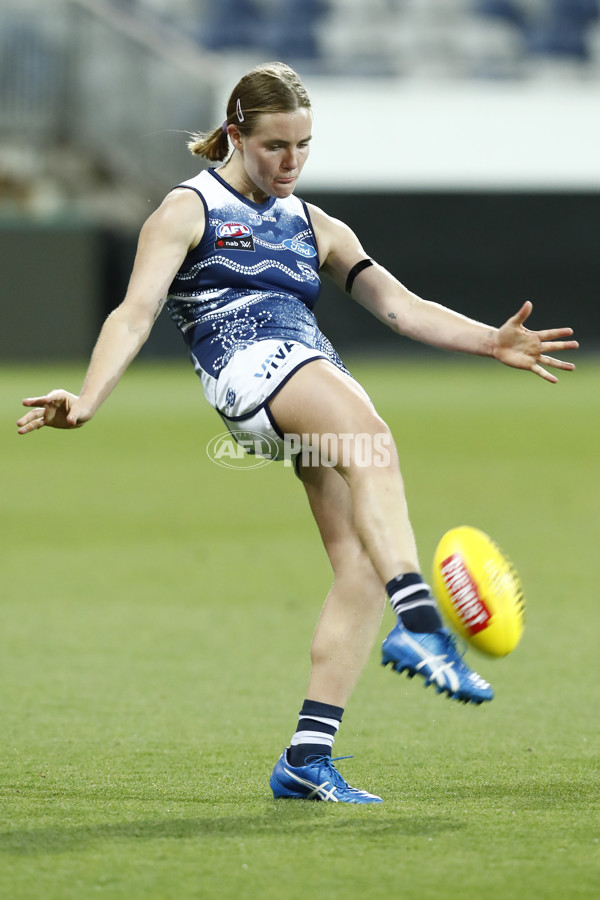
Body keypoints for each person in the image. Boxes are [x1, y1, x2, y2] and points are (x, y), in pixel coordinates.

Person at [17, 62, 578, 804]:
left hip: (308, 374)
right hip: (250, 365)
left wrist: (489, 341)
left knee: (357, 566)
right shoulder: (189, 209)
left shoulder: (316, 225)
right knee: (374, 438)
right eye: (277, 146)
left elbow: (400, 306)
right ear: (236, 132)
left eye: (305, 146)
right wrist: (89, 397)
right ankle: (421, 624)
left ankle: (306, 759)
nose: (292, 161)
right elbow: (135, 311)